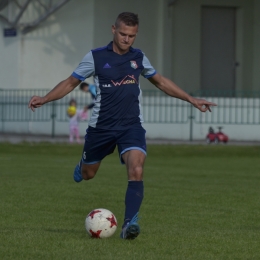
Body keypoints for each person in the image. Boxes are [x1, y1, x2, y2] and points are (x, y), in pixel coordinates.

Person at [28, 12, 217, 240]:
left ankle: (129, 224)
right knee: (89, 174)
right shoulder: (96, 57)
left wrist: (191, 99)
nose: (127, 39)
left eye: (132, 36)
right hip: (101, 128)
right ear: (113, 30)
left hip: (131, 126)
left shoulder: (138, 57)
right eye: (123, 34)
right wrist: (45, 98)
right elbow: (70, 83)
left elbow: (161, 82)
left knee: (137, 169)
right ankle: (83, 164)